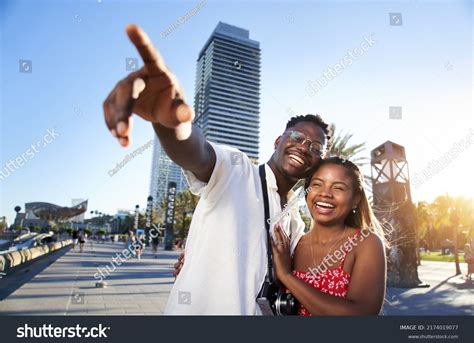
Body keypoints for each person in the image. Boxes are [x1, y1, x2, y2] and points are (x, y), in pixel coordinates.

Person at [103, 24, 330, 314]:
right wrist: (170, 122)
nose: (304, 147)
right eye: (298, 137)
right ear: (278, 140)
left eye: (315, 148)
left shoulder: (297, 220)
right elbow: (196, 153)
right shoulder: (236, 170)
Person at [271, 157, 387, 315]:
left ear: (355, 199)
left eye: (338, 188)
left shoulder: (365, 243)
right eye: (317, 184)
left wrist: (286, 276)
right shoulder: (293, 244)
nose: (325, 193)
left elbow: (361, 313)